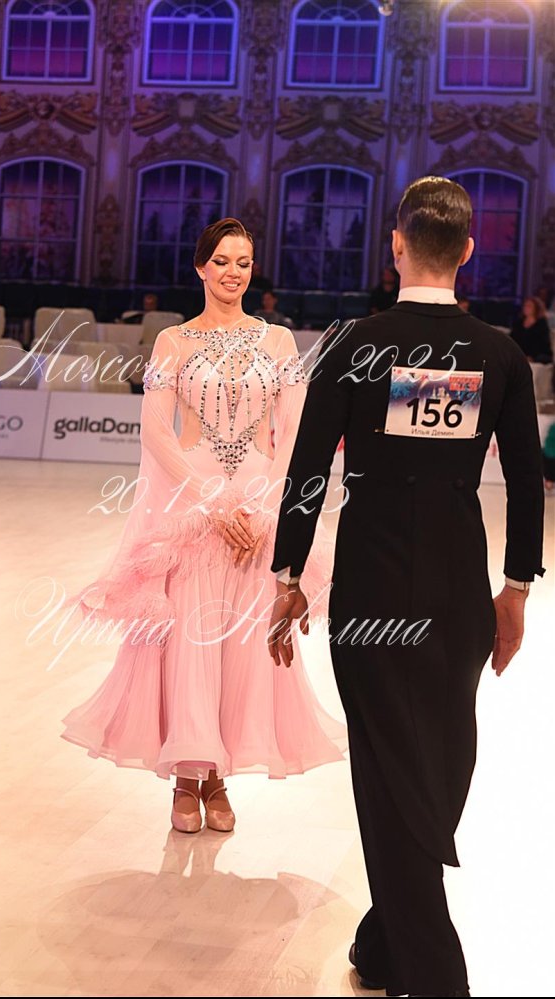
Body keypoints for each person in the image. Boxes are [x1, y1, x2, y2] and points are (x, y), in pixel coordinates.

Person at [268, 177, 544, 997]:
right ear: (468, 251)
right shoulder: (499, 352)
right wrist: (516, 588)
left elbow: (307, 470)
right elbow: (527, 485)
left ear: (395, 245)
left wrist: (288, 574)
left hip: (372, 596)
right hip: (460, 596)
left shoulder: (353, 344)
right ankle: (405, 953)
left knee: (397, 768)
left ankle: (408, 952)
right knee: (436, 758)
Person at [61, 218, 346, 833]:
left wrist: (266, 508)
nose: (233, 273)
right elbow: (155, 432)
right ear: (200, 267)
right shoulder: (173, 342)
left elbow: (295, 433)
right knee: (191, 643)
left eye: (243, 262)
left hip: (257, 510)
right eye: (221, 261)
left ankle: (219, 776)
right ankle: (188, 779)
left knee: (240, 648)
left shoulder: (279, 342)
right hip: (193, 511)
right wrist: (209, 504)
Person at [510, 296, 553, 365]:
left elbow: (542, 344)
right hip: (520, 354)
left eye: (529, 306)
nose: (526, 308)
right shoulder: (519, 323)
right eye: (525, 306)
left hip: (537, 354)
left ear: (536, 309)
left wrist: (531, 357)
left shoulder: (541, 324)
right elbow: (512, 339)